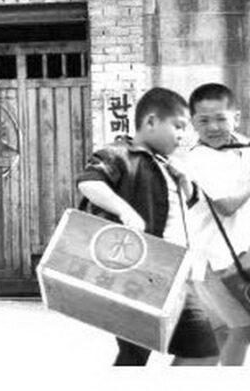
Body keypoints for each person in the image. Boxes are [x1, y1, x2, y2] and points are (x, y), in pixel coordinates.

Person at [76, 87, 219, 366]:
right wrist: (126, 211)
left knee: (205, 348)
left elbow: (187, 205)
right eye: (178, 126)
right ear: (151, 121)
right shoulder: (120, 153)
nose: (182, 135)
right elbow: (89, 182)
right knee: (136, 355)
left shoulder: (168, 165)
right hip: (139, 275)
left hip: (176, 275)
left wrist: (185, 182)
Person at [186, 83, 250, 366]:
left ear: (236, 117)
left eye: (220, 119)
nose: (213, 127)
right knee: (240, 330)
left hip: (241, 257)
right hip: (217, 262)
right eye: (203, 120)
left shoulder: (244, 146)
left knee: (228, 332)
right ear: (192, 122)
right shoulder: (198, 158)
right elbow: (227, 205)